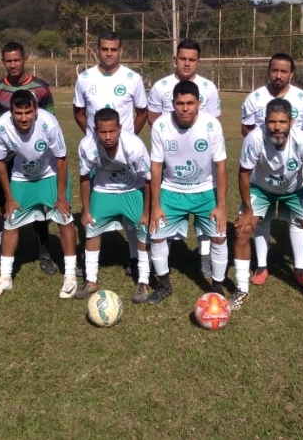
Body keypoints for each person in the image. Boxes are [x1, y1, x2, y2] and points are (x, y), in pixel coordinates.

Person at [231, 98, 303, 314]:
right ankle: (241, 289)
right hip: (261, 189)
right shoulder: (254, 138)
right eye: (271, 122)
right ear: (265, 122)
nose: (276, 127)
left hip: (294, 190)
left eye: (282, 122)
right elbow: (243, 175)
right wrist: (248, 211)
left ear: (291, 122)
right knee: (243, 230)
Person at [0, 90, 78, 299]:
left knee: (64, 220)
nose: (24, 117)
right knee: (10, 222)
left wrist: (61, 198)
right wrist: (9, 198)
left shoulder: (49, 123)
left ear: (36, 110)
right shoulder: (1, 127)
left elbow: (62, 159)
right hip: (22, 176)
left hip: (50, 173)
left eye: (28, 111)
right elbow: (0, 163)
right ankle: (5, 278)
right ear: (11, 112)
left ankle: (70, 276)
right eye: (19, 113)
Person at [73, 30, 147, 275]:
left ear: (120, 51)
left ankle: (135, 258)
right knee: (97, 204)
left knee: (130, 203)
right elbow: (79, 112)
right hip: (97, 154)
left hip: (123, 153)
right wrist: (94, 138)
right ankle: (93, 261)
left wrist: (127, 138)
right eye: (104, 49)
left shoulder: (132, 78)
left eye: (113, 49)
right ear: (98, 49)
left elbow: (142, 112)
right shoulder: (84, 78)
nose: (108, 53)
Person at [147, 80, 228, 304]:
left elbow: (221, 165)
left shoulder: (211, 125)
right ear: (172, 103)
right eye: (180, 103)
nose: (185, 108)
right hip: (172, 190)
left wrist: (221, 206)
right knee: (156, 235)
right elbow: (155, 166)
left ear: (199, 104)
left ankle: (218, 289)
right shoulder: (161, 126)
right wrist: (155, 206)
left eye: (190, 103)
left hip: (205, 190)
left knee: (219, 237)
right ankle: (164, 285)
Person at [147, 39, 221, 280]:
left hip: (203, 171)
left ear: (198, 61)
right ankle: (162, 277)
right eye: (182, 58)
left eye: (192, 59)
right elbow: (155, 121)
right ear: (175, 59)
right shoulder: (161, 86)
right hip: (172, 165)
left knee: (209, 228)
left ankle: (206, 262)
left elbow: (214, 128)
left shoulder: (209, 88)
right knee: (158, 227)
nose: (187, 63)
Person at [240, 52, 303, 288]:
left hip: (293, 174)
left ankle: (300, 267)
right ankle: (262, 266)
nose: (278, 75)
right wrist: (267, 154)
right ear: (268, 71)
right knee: (260, 221)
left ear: (291, 73)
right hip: (262, 173)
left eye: (284, 71)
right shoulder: (255, 98)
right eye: (274, 70)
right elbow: (247, 131)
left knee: (299, 221)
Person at [0, 41, 58, 276]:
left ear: (25, 59)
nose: (13, 64)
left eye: (17, 60)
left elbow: (49, 121)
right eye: (8, 61)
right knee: (5, 204)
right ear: (3, 61)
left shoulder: (41, 87)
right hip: (8, 159)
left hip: (37, 158)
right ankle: (0, 252)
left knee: (41, 206)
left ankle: (45, 253)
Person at [75, 108, 152, 304]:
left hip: (132, 189)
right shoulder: (87, 145)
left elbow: (148, 179)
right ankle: (91, 280)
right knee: (91, 228)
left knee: (143, 229)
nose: (108, 137)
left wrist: (146, 213)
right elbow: (84, 177)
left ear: (120, 128)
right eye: (103, 132)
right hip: (104, 190)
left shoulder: (134, 145)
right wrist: (86, 210)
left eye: (112, 131)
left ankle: (143, 282)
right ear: (95, 129)